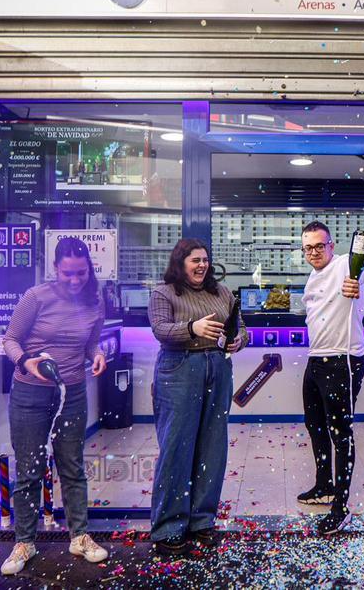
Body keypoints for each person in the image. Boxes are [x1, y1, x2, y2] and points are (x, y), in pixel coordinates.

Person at [0, 237, 109, 575]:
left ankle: (80, 536)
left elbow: (90, 343)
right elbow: (9, 339)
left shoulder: (95, 298)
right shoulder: (36, 297)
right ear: (55, 269)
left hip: (72, 392)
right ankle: (24, 542)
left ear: (89, 269)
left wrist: (98, 354)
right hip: (31, 393)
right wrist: (24, 362)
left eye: (81, 273)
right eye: (67, 274)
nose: (75, 281)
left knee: (72, 466)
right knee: (30, 468)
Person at [147, 238, 247, 556]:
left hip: (217, 369)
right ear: (181, 263)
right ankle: (168, 527)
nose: (202, 265)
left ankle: (202, 521)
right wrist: (192, 327)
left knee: (212, 447)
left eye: (205, 260)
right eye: (195, 260)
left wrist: (239, 340)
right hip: (179, 369)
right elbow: (160, 329)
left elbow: (242, 329)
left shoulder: (223, 293)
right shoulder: (164, 293)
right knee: (176, 447)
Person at [295, 221, 364, 536]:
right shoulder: (312, 277)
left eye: (319, 246)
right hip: (316, 359)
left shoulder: (345, 267)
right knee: (315, 426)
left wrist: (356, 283)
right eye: (308, 247)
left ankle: (341, 506)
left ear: (331, 245)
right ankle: (324, 486)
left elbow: (357, 272)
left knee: (340, 432)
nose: (313, 252)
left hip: (343, 360)